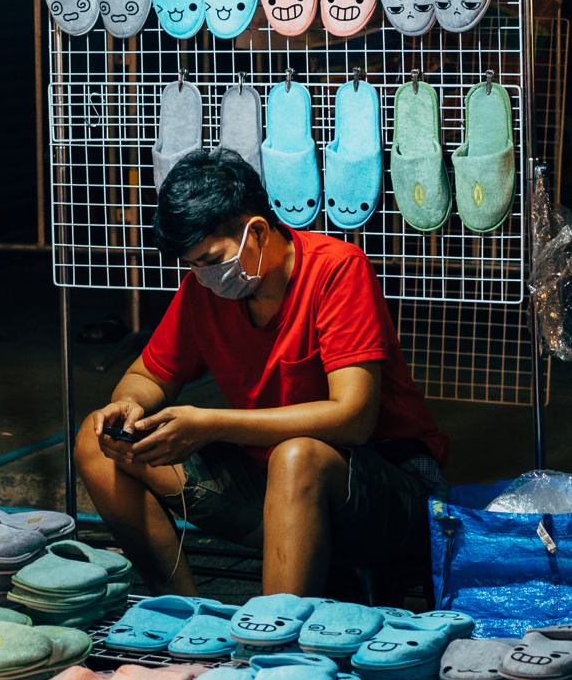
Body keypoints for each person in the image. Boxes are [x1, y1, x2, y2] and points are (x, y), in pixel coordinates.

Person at [77, 149, 449, 597]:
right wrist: (129, 406)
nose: (203, 275)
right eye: (191, 265)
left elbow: (353, 419)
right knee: (97, 442)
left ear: (256, 230)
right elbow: (149, 376)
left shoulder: (337, 269)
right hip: (273, 481)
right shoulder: (203, 289)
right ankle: (183, 610)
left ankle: (274, 641)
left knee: (297, 456)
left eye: (211, 259)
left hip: (386, 490)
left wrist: (211, 425)